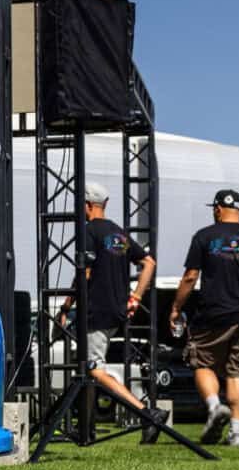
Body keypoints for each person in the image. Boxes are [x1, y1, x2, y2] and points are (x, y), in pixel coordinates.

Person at [59, 181, 165, 443]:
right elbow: (148, 262)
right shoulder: (119, 233)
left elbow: (84, 273)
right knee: (90, 368)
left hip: (96, 309)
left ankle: (147, 413)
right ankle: (87, 427)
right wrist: (135, 297)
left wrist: (67, 305)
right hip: (116, 310)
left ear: (86, 205)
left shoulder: (89, 231)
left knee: (94, 368)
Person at [170, 189, 239, 447]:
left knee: (201, 361)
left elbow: (190, 277)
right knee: (238, 372)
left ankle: (215, 406)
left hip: (213, 314)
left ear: (218, 209)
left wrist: (176, 307)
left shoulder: (204, 236)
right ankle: (236, 433)